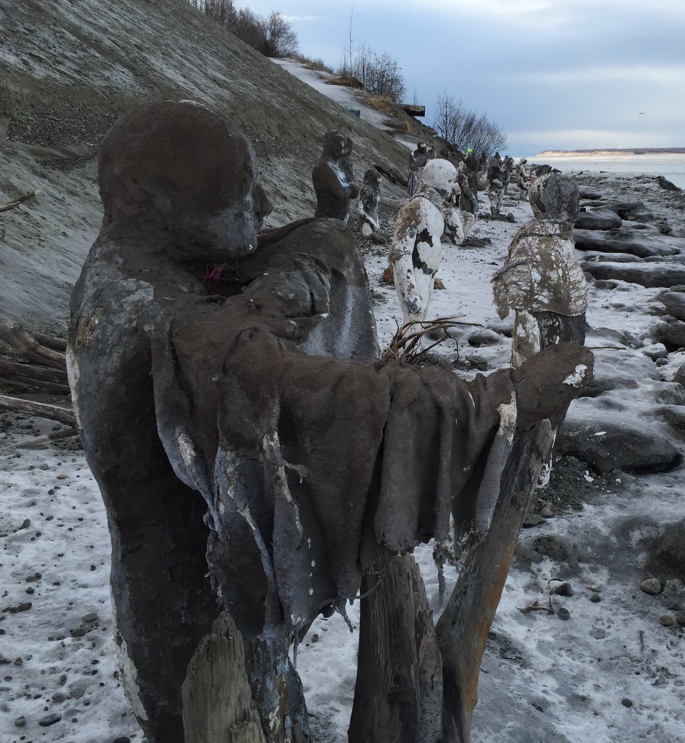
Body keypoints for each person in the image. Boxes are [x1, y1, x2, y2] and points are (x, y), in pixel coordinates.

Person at [68, 101, 592, 742]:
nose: (264, 205)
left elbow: (252, 282)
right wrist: (501, 400)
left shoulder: (124, 274)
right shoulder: (170, 326)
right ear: (163, 203)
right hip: (198, 634)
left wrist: (322, 233)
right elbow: (324, 401)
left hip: (175, 591)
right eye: (241, 191)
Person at [493, 171, 589, 368]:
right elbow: (525, 318)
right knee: (538, 368)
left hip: (564, 335)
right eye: (572, 200)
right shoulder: (534, 246)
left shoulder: (557, 239)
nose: (577, 206)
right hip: (540, 338)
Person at [388, 157, 461, 322]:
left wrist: (447, 208)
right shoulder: (417, 207)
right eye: (450, 181)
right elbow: (400, 251)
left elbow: (458, 237)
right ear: (437, 179)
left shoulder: (437, 208)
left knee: (420, 319)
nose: (453, 186)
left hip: (428, 273)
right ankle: (407, 341)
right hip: (415, 272)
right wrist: (409, 289)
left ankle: (413, 340)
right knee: (414, 320)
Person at [312, 130, 355, 222]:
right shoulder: (324, 167)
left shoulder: (337, 164)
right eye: (343, 147)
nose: (346, 151)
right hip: (326, 220)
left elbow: (354, 192)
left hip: (339, 219)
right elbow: (341, 193)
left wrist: (350, 186)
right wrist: (351, 186)